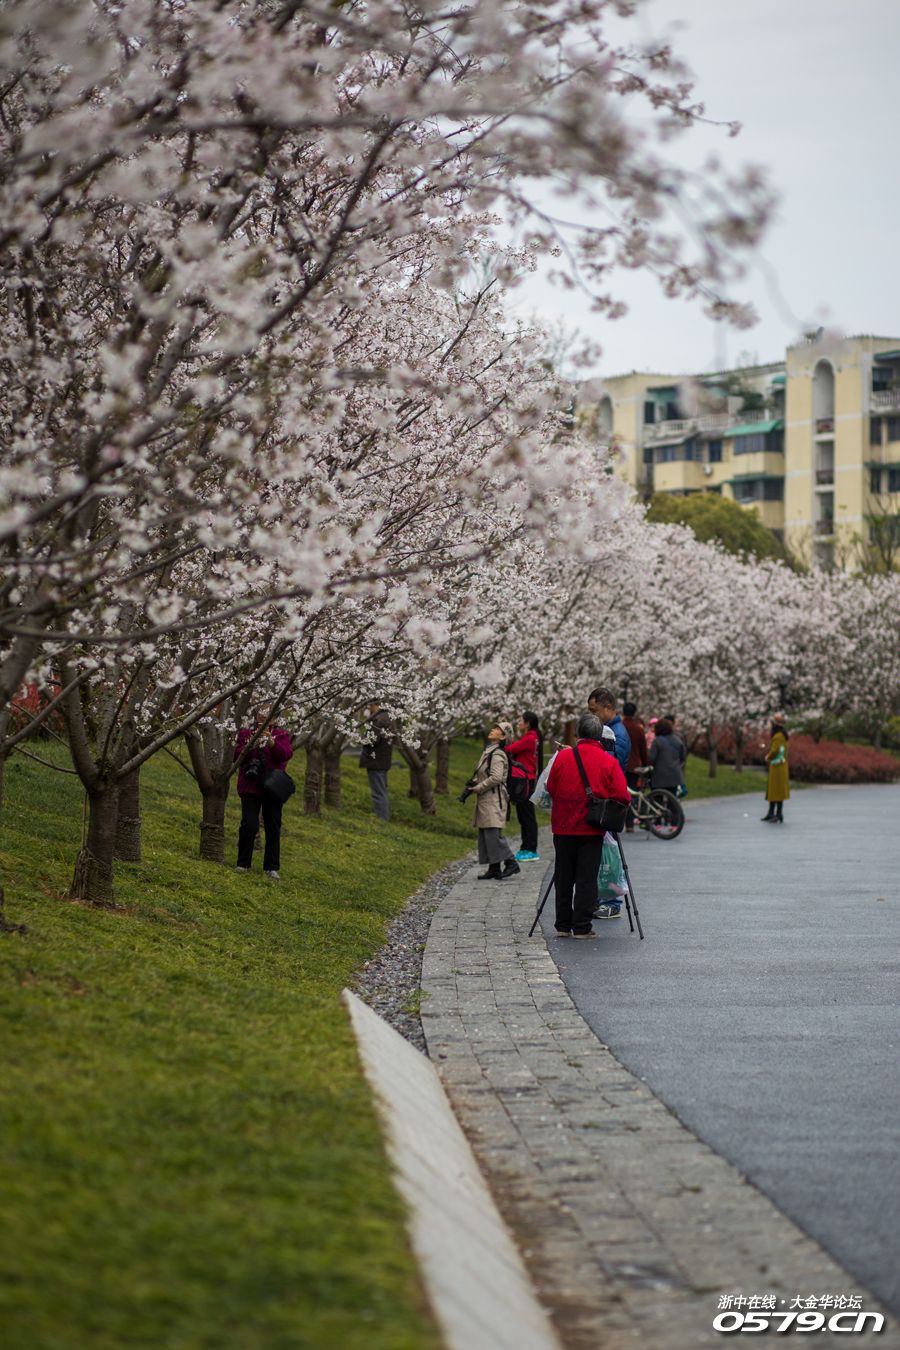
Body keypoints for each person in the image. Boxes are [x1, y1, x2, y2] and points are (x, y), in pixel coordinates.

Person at [547, 713, 629, 939]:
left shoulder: (563, 758)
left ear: (578, 734)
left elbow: (551, 787)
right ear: (599, 736)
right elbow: (622, 795)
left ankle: (563, 924)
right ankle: (582, 926)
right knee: (586, 877)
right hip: (591, 828)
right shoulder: (608, 761)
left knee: (563, 876)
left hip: (563, 826)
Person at [235, 704, 294, 879]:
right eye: (262, 713)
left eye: (270, 715)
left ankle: (271, 867)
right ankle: (243, 864)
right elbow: (236, 755)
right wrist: (251, 743)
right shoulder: (246, 733)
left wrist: (272, 743)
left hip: (272, 787)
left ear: (275, 718)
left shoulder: (281, 735)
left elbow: (285, 755)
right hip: (250, 784)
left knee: (273, 826)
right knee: (249, 824)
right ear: (256, 715)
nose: (265, 717)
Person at [467, 724, 521, 880]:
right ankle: (494, 867)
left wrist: (479, 787)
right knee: (486, 832)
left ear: (503, 737)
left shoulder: (497, 754)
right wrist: (474, 783)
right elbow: (486, 774)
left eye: (498, 728)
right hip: (487, 797)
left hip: (493, 797)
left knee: (492, 834)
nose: (493, 729)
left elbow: (496, 777)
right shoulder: (489, 752)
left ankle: (511, 862)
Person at [506, 711, 543, 862]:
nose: (518, 722)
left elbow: (510, 749)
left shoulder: (529, 738)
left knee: (526, 815)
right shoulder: (533, 737)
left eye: (521, 720)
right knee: (524, 814)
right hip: (527, 779)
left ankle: (530, 848)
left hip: (525, 780)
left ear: (527, 723)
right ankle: (526, 847)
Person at [360, 700, 393, 821]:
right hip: (382, 760)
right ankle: (382, 817)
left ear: (377, 705)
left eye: (371, 706)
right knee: (382, 791)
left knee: (378, 793)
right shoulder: (387, 717)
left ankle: (382, 818)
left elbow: (372, 740)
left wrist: (360, 739)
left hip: (376, 760)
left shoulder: (379, 720)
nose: (369, 708)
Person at [587, 687, 631, 772]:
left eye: (594, 711)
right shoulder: (603, 729)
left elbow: (610, 766)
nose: (591, 715)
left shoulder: (618, 734)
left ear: (608, 707)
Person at [621, 701, 649, 834]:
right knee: (631, 795)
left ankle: (619, 822)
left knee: (619, 794)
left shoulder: (619, 726)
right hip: (634, 767)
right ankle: (630, 824)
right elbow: (643, 750)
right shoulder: (639, 729)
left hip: (621, 766)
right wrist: (645, 764)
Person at [762, 715, 790, 823]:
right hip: (779, 766)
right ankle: (772, 812)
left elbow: (775, 750)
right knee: (774, 790)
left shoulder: (778, 736)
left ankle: (778, 814)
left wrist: (768, 756)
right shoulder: (782, 735)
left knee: (777, 790)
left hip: (777, 766)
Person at [647, 718, 686, 796]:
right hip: (675, 776)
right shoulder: (678, 740)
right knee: (672, 800)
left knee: (657, 800)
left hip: (659, 777)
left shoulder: (657, 741)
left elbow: (651, 758)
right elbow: (682, 757)